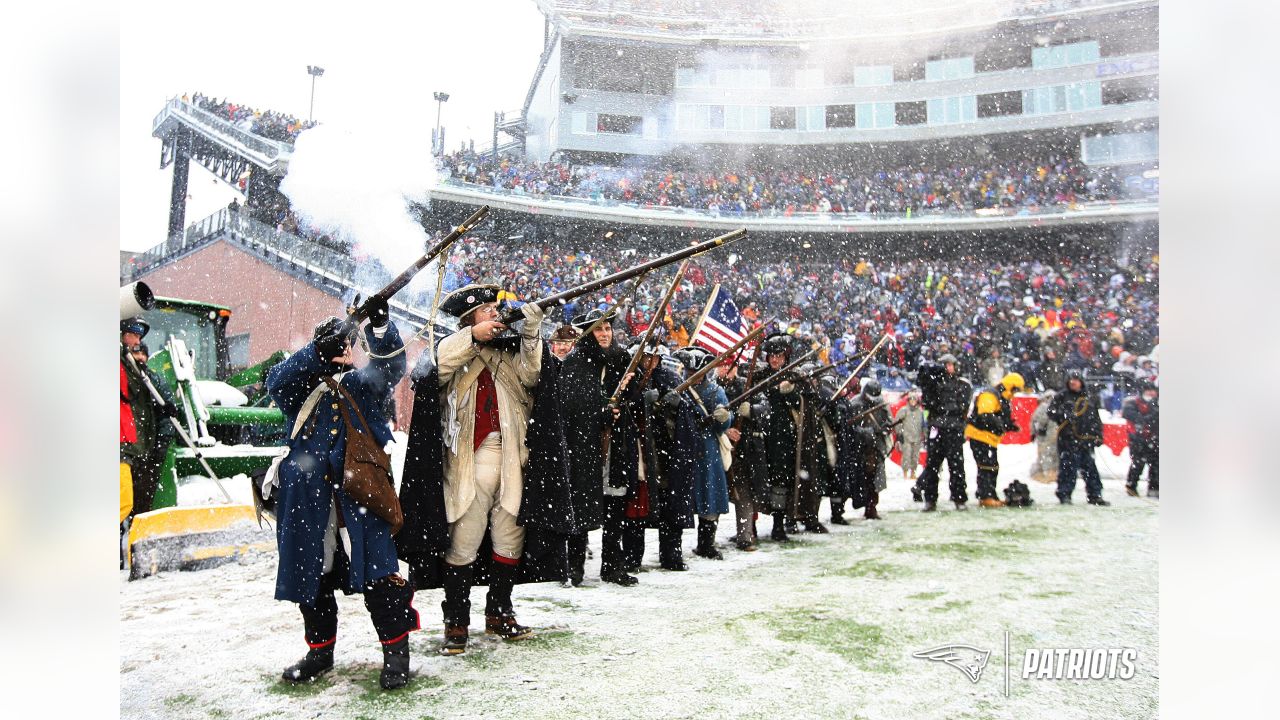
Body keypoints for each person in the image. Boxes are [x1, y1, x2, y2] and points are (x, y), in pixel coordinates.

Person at [265, 297, 419, 690]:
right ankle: (320, 651)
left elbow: (391, 368)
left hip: (360, 493)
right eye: (332, 344)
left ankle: (396, 654)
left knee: (381, 576)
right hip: (308, 495)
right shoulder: (301, 382)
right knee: (310, 575)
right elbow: (276, 381)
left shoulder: (362, 384)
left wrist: (380, 328)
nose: (340, 350)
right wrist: (317, 350)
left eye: (340, 343)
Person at [429, 284, 547, 654]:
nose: (495, 315)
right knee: (463, 542)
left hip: (512, 455)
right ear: (469, 319)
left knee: (509, 538)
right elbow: (437, 364)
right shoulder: (455, 348)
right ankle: (456, 622)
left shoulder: (508, 352)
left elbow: (531, 375)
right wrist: (472, 337)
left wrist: (531, 333)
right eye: (486, 311)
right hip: (468, 459)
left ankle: (499, 612)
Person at [560, 309, 640, 587]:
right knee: (582, 509)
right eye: (598, 330)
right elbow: (571, 406)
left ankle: (612, 566)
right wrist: (599, 414)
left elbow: (631, 398)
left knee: (615, 508)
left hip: (616, 445)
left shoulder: (620, 359)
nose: (604, 334)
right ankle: (574, 568)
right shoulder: (576, 363)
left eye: (607, 328)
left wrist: (630, 386)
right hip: (585, 447)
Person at [666, 346, 734, 560]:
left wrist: (723, 417)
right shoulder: (676, 388)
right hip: (683, 447)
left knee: (710, 496)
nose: (692, 375)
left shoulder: (715, 391)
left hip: (707, 449)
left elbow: (724, 424)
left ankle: (706, 544)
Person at [124, 342, 179, 518]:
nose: (140, 358)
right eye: (135, 353)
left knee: (141, 501)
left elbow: (167, 417)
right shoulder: (125, 378)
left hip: (146, 450)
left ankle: (134, 533)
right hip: (128, 448)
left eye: (143, 354)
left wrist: (161, 445)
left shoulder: (153, 381)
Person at [912, 353, 972, 512]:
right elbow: (927, 398)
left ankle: (959, 498)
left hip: (953, 429)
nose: (948, 368)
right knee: (932, 466)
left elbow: (962, 407)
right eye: (945, 365)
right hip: (937, 428)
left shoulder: (962, 384)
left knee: (956, 466)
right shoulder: (933, 383)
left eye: (951, 364)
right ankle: (930, 500)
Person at [721, 358, 768, 550]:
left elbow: (765, 408)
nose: (723, 369)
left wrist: (751, 411)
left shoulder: (746, 385)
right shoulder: (715, 388)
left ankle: (745, 535)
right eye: (721, 365)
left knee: (744, 494)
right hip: (723, 446)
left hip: (746, 449)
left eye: (727, 365)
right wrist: (724, 429)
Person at [1047, 372, 1110, 506]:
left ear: (1081, 382)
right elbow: (1051, 412)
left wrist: (1098, 436)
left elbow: (1096, 419)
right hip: (1068, 440)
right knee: (1068, 469)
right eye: (1071, 380)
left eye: (1075, 380)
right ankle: (1065, 495)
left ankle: (1095, 495)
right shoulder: (1061, 396)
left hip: (1085, 440)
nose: (1073, 383)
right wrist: (1064, 415)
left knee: (1091, 470)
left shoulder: (1089, 398)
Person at [964, 372, 1026, 508]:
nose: (1014, 394)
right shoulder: (990, 394)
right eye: (1015, 390)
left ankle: (990, 495)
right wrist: (1002, 424)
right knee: (987, 466)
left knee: (991, 466)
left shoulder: (1001, 396)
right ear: (1011, 386)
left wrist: (1009, 425)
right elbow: (985, 415)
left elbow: (996, 417)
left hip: (988, 438)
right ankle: (986, 497)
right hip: (979, 436)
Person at [1122, 381, 1159, 498]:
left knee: (1156, 465)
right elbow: (1131, 415)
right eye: (1148, 390)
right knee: (1138, 464)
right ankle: (1131, 486)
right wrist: (1148, 418)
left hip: (1155, 438)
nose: (1151, 393)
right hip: (1138, 438)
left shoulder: (1157, 403)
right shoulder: (1133, 402)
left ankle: (1154, 489)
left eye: (1153, 390)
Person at [1028, 390, 1060, 484]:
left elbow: (1036, 421)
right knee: (1052, 454)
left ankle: (1047, 474)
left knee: (1046, 455)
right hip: (1053, 435)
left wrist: (1033, 433)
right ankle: (1051, 474)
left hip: (1046, 436)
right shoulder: (1056, 407)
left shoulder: (1044, 407)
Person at [894, 390, 926, 481]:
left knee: (915, 457)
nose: (912, 401)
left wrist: (925, 435)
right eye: (911, 400)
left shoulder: (921, 412)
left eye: (914, 400)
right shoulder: (904, 410)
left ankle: (913, 473)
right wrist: (899, 433)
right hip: (906, 437)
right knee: (906, 456)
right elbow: (897, 422)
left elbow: (924, 425)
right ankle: (905, 473)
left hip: (917, 438)